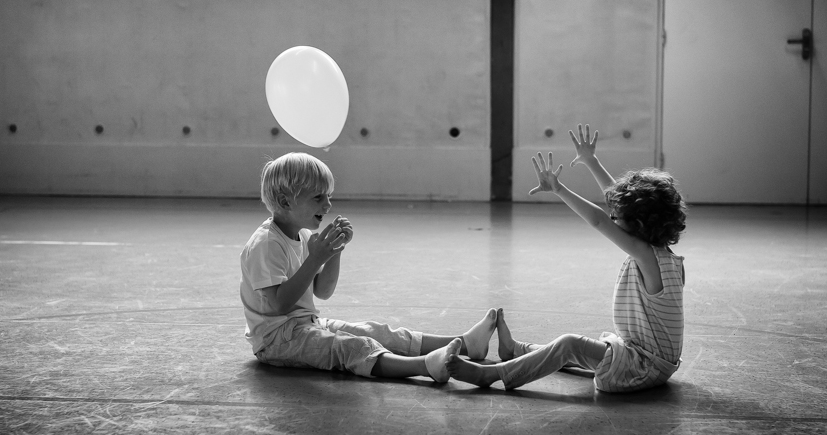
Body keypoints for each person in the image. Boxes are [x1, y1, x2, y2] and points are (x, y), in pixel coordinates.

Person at [447, 124, 687, 392]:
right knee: (576, 351)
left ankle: (491, 374)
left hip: (645, 365)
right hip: (645, 358)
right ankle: (516, 350)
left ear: (638, 225)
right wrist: (591, 161)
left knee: (570, 344)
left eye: (617, 217)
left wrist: (559, 189)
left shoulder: (647, 258)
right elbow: (618, 204)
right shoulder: (663, 257)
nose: (613, 218)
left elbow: (598, 220)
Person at [241, 152, 496, 381]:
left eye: (329, 196)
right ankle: (425, 366)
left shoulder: (303, 234)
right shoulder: (266, 244)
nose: (328, 205)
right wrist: (316, 258)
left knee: (375, 331)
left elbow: (323, 291)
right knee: (351, 347)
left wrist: (334, 252)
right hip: (276, 340)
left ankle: (466, 344)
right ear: (285, 202)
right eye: (318, 197)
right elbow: (279, 305)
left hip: (306, 323)